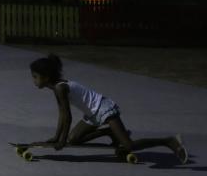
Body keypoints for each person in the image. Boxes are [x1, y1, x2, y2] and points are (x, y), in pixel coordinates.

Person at [29, 54, 188, 163]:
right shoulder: (56, 87)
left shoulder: (60, 88)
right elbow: (62, 114)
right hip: (92, 113)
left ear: (47, 77)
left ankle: (168, 141)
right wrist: (57, 137)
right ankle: (109, 132)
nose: (33, 80)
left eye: (35, 77)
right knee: (73, 140)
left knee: (129, 146)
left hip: (103, 108)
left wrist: (61, 142)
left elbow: (68, 117)